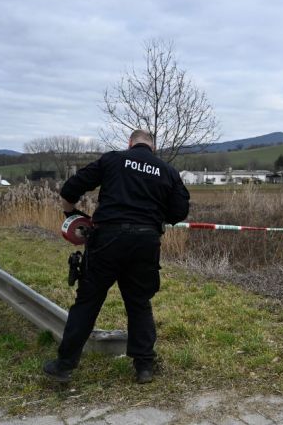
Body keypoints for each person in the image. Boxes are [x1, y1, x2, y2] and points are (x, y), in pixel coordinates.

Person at [43, 129, 190, 384]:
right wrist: (152, 214)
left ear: (130, 143)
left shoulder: (113, 159)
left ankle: (64, 365)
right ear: (152, 148)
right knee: (139, 302)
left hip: (107, 240)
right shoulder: (167, 171)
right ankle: (144, 367)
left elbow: (70, 189)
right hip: (145, 242)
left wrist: (71, 215)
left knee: (88, 301)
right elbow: (179, 212)